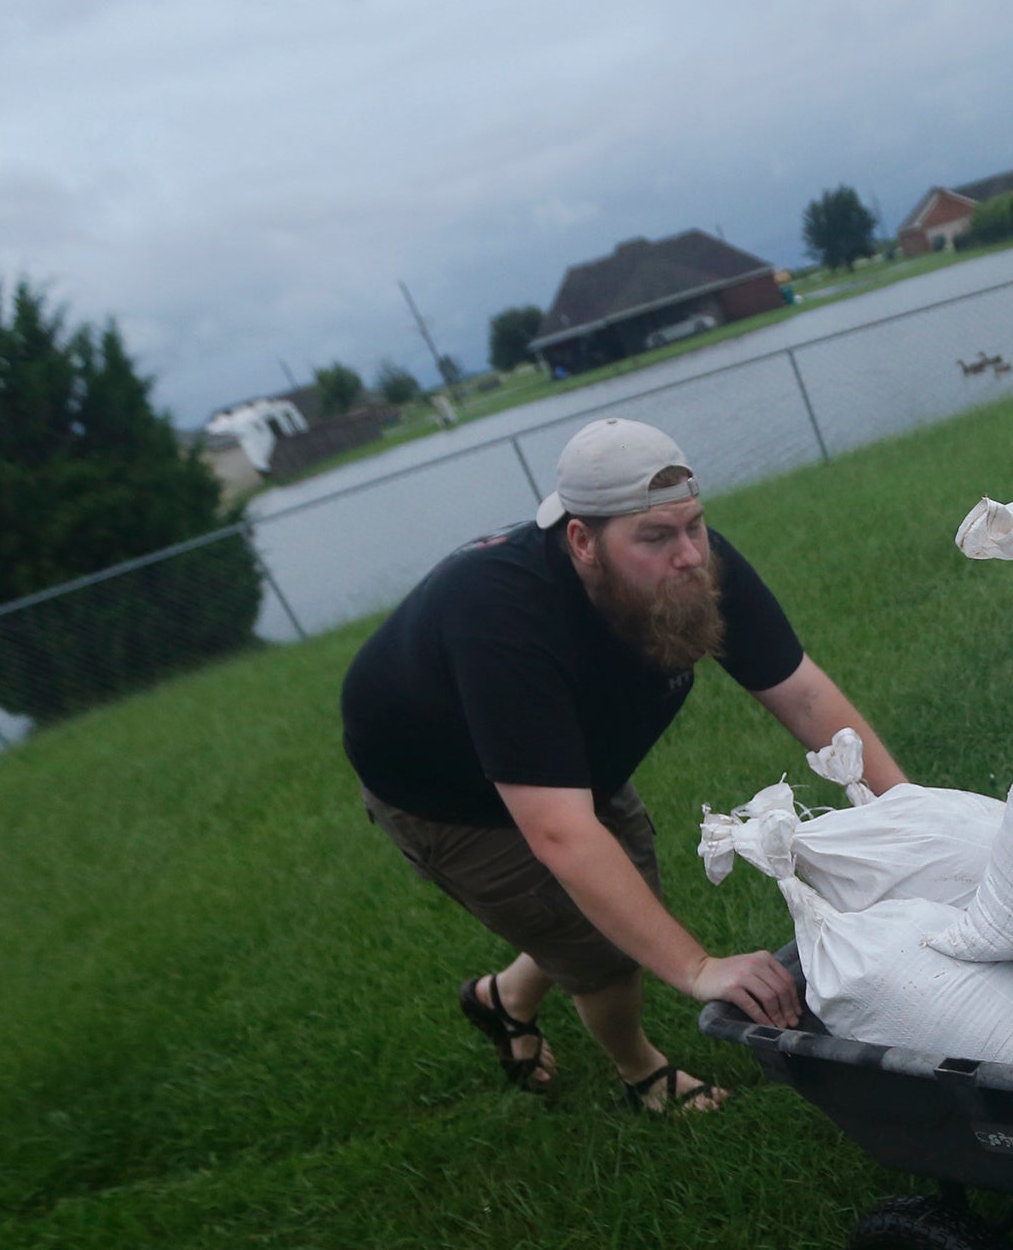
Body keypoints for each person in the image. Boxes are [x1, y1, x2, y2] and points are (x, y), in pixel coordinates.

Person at [341, 417, 906, 1114]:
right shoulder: (501, 616)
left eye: (694, 526)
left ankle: (503, 999)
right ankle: (643, 1074)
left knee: (622, 889)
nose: (689, 555)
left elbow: (804, 694)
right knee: (599, 947)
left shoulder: (694, 566)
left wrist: (911, 814)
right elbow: (560, 836)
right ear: (582, 540)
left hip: (569, 754)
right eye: (657, 538)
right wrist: (698, 969)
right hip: (444, 790)